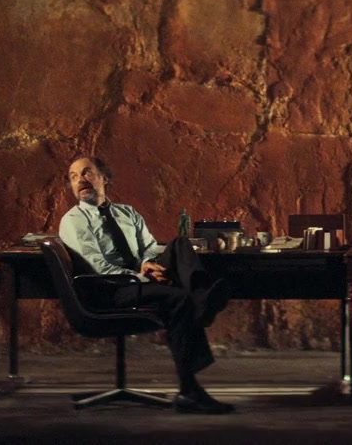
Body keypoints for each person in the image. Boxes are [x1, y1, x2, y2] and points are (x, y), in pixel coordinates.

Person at [59, 155, 234, 415]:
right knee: (179, 300)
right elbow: (98, 266)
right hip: (110, 289)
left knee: (180, 244)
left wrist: (148, 264)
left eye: (87, 173)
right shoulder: (74, 220)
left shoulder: (127, 213)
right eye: (74, 177)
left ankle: (201, 297)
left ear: (104, 178)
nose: (80, 180)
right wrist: (142, 276)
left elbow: (149, 247)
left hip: (137, 278)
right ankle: (190, 389)